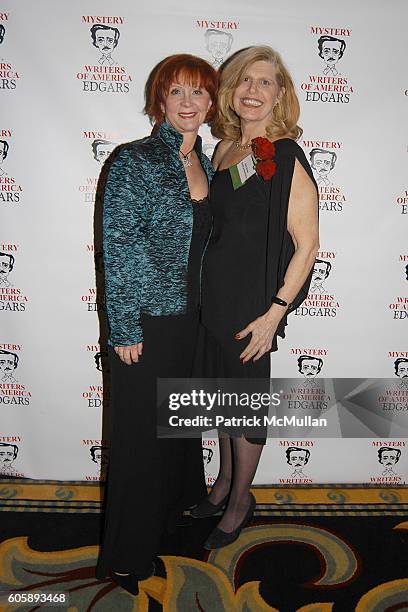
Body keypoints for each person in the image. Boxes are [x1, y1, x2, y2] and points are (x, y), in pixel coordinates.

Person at [95, 54, 218, 594]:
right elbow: (117, 245)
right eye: (177, 93)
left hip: (192, 319)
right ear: (159, 100)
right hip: (146, 320)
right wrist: (123, 326)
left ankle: (168, 523)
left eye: (199, 93)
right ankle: (125, 555)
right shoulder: (134, 160)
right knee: (140, 440)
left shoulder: (210, 162)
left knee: (178, 430)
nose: (188, 103)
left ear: (212, 102)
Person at [191, 46, 319, 549]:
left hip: (252, 307)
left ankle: (241, 499)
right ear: (231, 89)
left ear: (280, 94)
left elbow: (307, 245)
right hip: (212, 300)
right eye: (245, 80)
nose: (252, 90)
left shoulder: (284, 156)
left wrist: (274, 314)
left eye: (265, 82)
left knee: (243, 407)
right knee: (223, 401)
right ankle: (222, 483)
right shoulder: (222, 149)